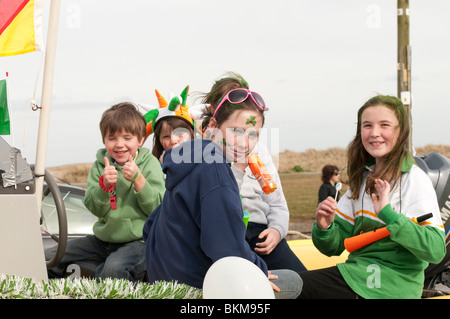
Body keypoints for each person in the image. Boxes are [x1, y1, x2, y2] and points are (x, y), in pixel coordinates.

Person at [143, 82, 302, 298]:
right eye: (237, 131)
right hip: (197, 286)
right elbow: (225, 248)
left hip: (165, 282)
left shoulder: (190, 160)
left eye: (253, 134)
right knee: (296, 281)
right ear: (214, 125)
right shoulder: (215, 168)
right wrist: (259, 270)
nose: (245, 143)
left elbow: (150, 226)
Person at [298, 95, 446, 299]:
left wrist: (388, 215)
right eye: (367, 125)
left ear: (400, 131)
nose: (375, 133)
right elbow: (333, 248)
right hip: (356, 277)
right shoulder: (361, 179)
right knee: (283, 285)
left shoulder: (415, 180)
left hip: (390, 289)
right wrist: (325, 227)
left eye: (384, 125)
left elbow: (436, 251)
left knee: (284, 288)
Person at [197, 72, 306, 272]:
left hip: (260, 232)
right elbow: (220, 207)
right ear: (215, 112)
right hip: (224, 235)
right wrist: (238, 167)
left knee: (301, 279)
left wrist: (276, 230)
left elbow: (278, 205)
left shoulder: (259, 152)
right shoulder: (201, 153)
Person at [45, 102, 165, 281]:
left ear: (140, 140)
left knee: (113, 270)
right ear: (104, 140)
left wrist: (139, 181)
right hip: (103, 240)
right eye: (112, 138)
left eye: (127, 138)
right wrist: (104, 187)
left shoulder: (150, 164)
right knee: (47, 257)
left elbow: (158, 208)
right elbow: (95, 209)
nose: (119, 144)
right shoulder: (100, 166)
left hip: (140, 242)